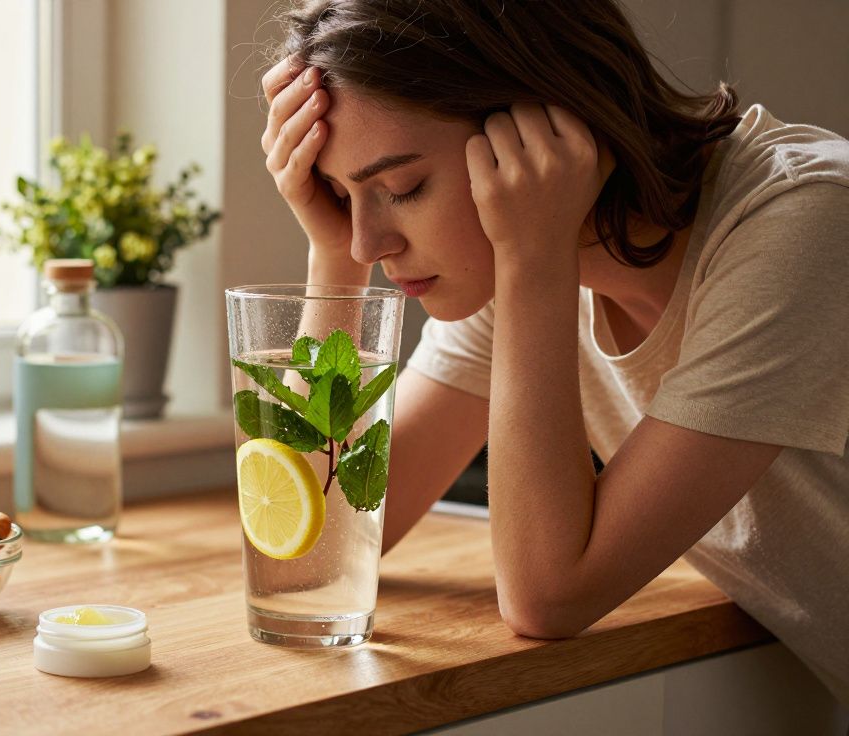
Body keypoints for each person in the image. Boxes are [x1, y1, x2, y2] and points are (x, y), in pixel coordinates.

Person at [260, 0, 849, 702]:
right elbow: (322, 542)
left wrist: (533, 256)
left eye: (401, 188)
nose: (369, 243)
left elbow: (548, 598)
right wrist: (331, 260)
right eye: (338, 194)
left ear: (543, 131)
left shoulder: (806, 221)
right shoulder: (511, 263)